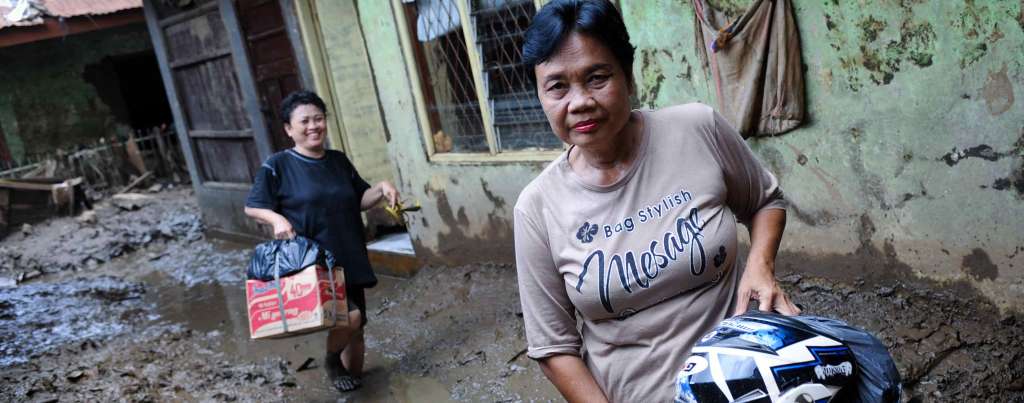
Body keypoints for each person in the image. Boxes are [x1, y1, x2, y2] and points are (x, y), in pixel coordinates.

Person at [513, 1, 800, 401]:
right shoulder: (537, 208)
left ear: (628, 76)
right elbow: (554, 347)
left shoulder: (698, 129)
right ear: (541, 95)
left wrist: (760, 267)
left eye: (596, 78)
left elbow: (766, 201)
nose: (578, 102)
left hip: (752, 379)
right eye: (557, 86)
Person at [243, 90, 399, 392]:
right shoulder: (278, 165)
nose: (313, 126)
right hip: (314, 263)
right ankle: (330, 360)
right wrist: (277, 219)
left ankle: (357, 386)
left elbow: (361, 200)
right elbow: (253, 205)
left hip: (349, 252)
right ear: (289, 129)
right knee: (350, 317)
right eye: (304, 121)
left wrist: (381, 188)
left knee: (358, 327)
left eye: (318, 119)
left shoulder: (338, 161)